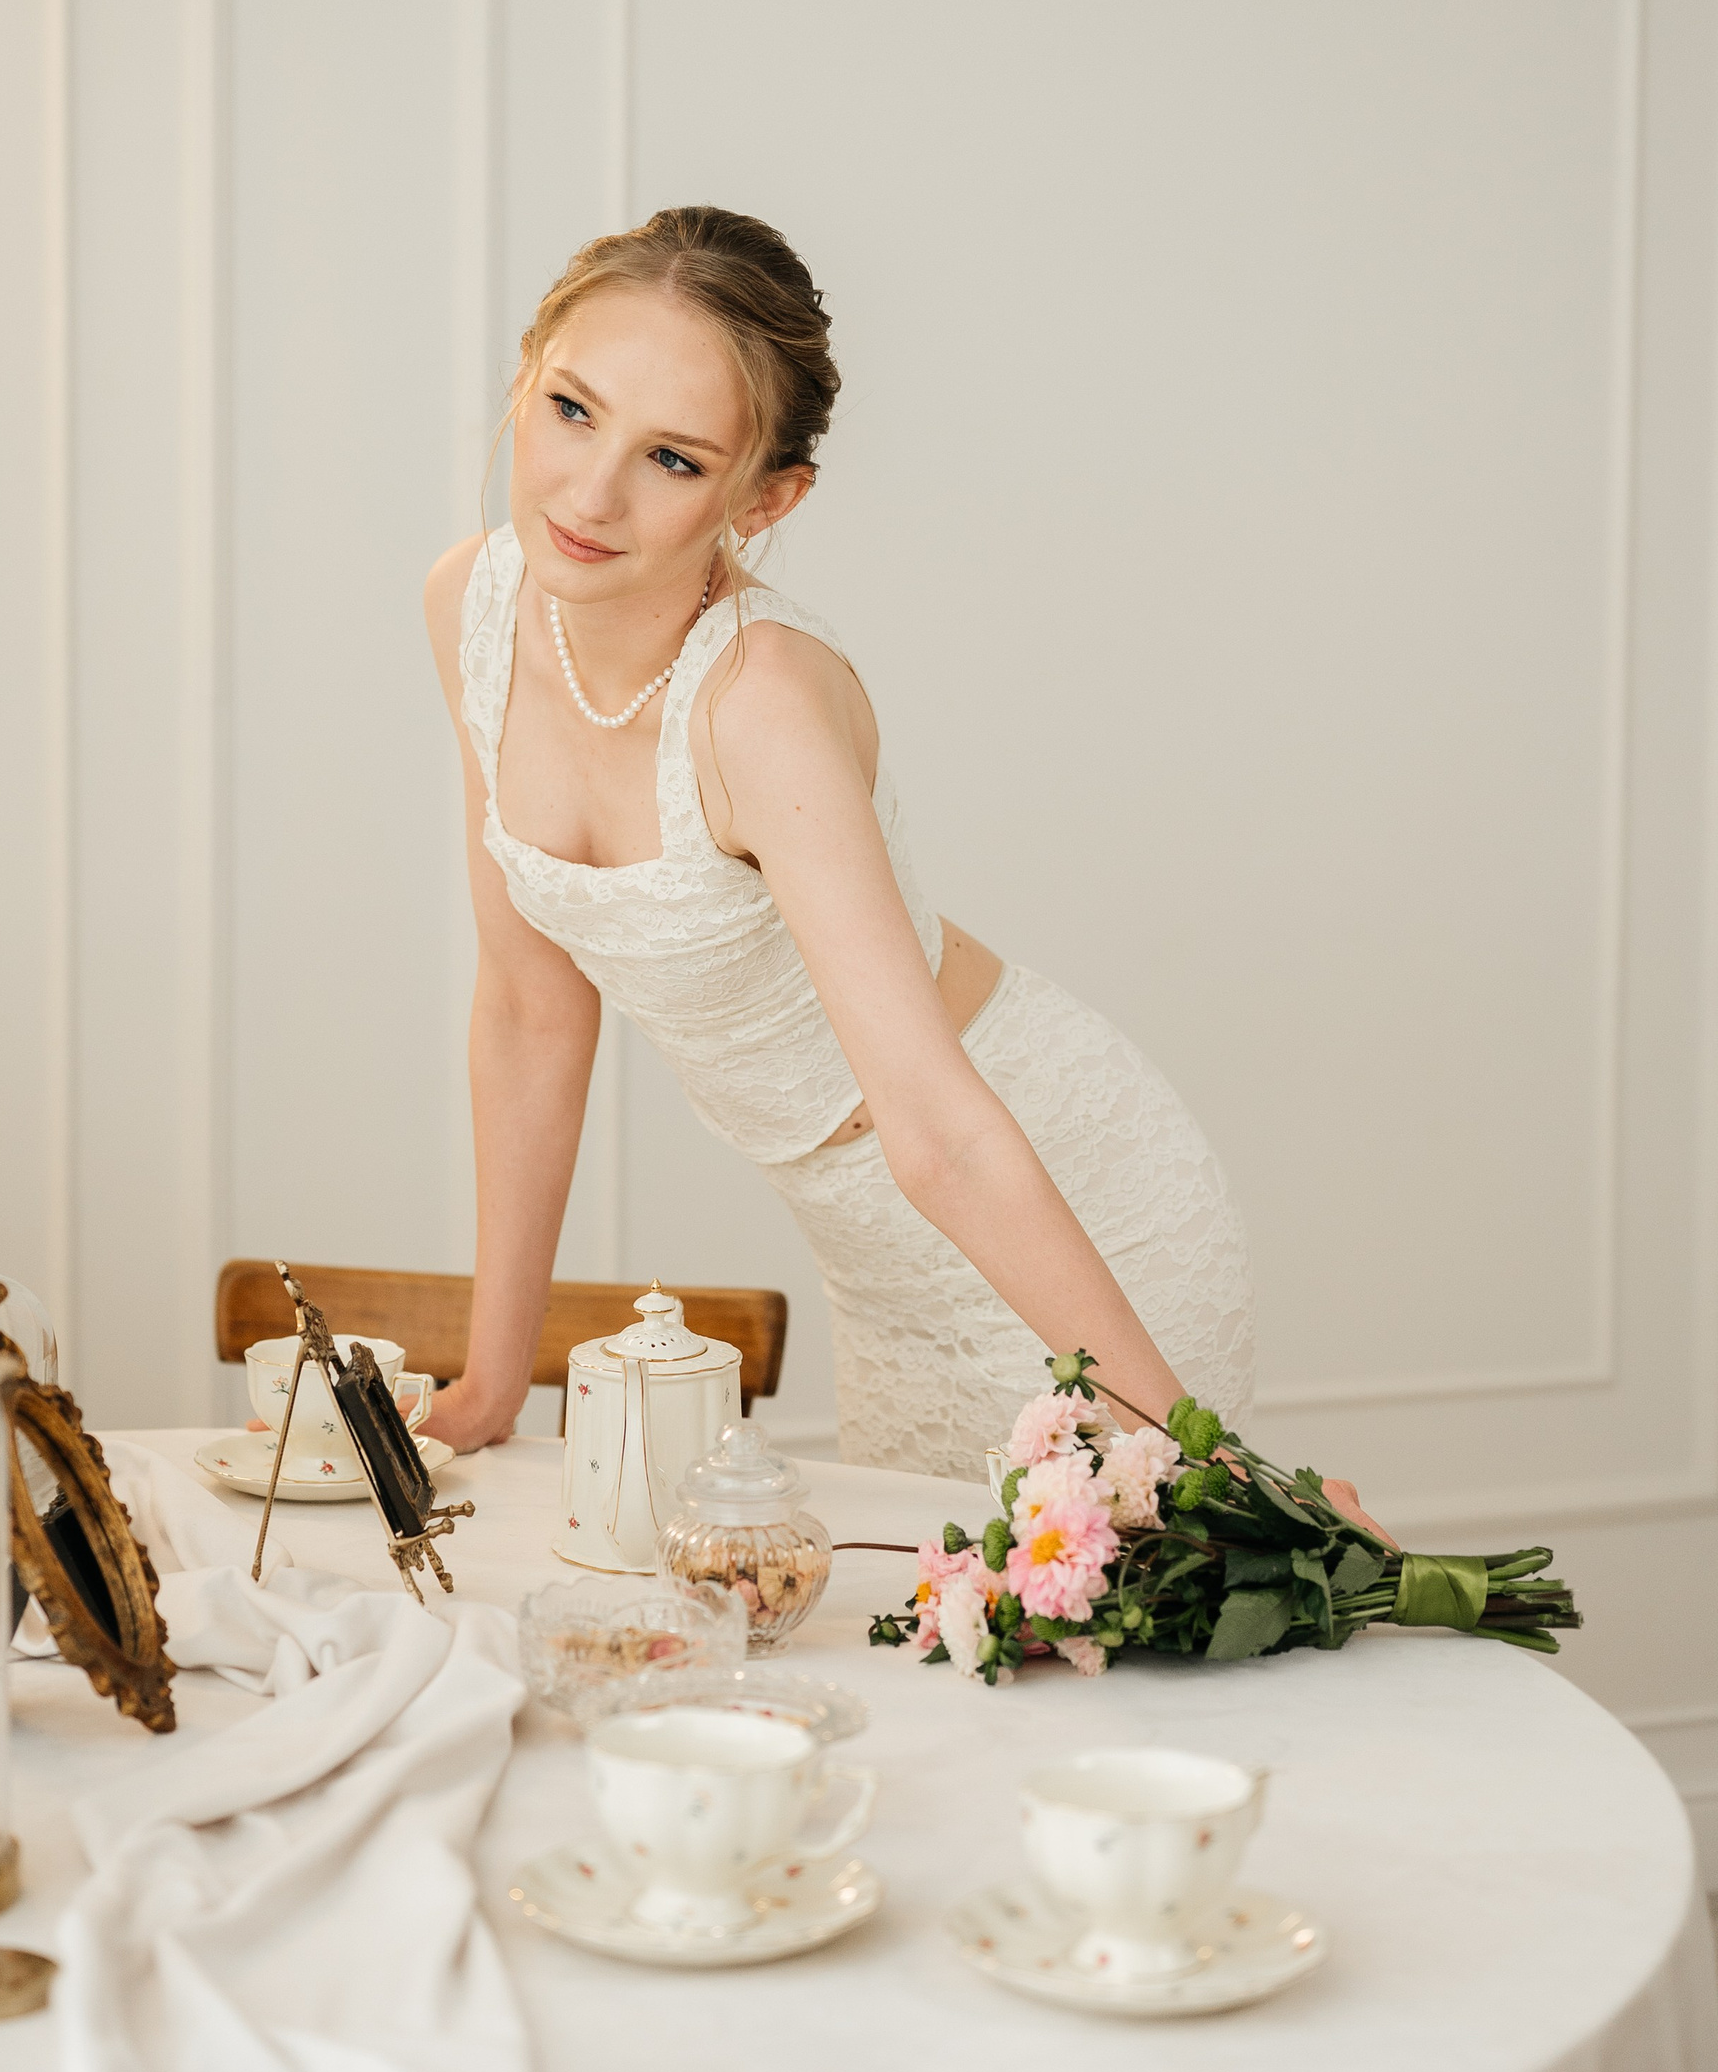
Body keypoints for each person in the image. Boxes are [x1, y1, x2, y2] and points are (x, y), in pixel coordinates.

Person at [423, 205, 1369, 1519]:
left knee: (1120, 1599)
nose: (589, 495)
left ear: (766, 497)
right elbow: (532, 1005)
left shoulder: (757, 700)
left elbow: (935, 1131)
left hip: (1057, 1207)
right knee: (925, 1632)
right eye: (572, 410)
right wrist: (492, 1378)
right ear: (527, 374)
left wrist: (1210, 1469)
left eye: (673, 458)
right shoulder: (473, 605)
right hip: (883, 1263)